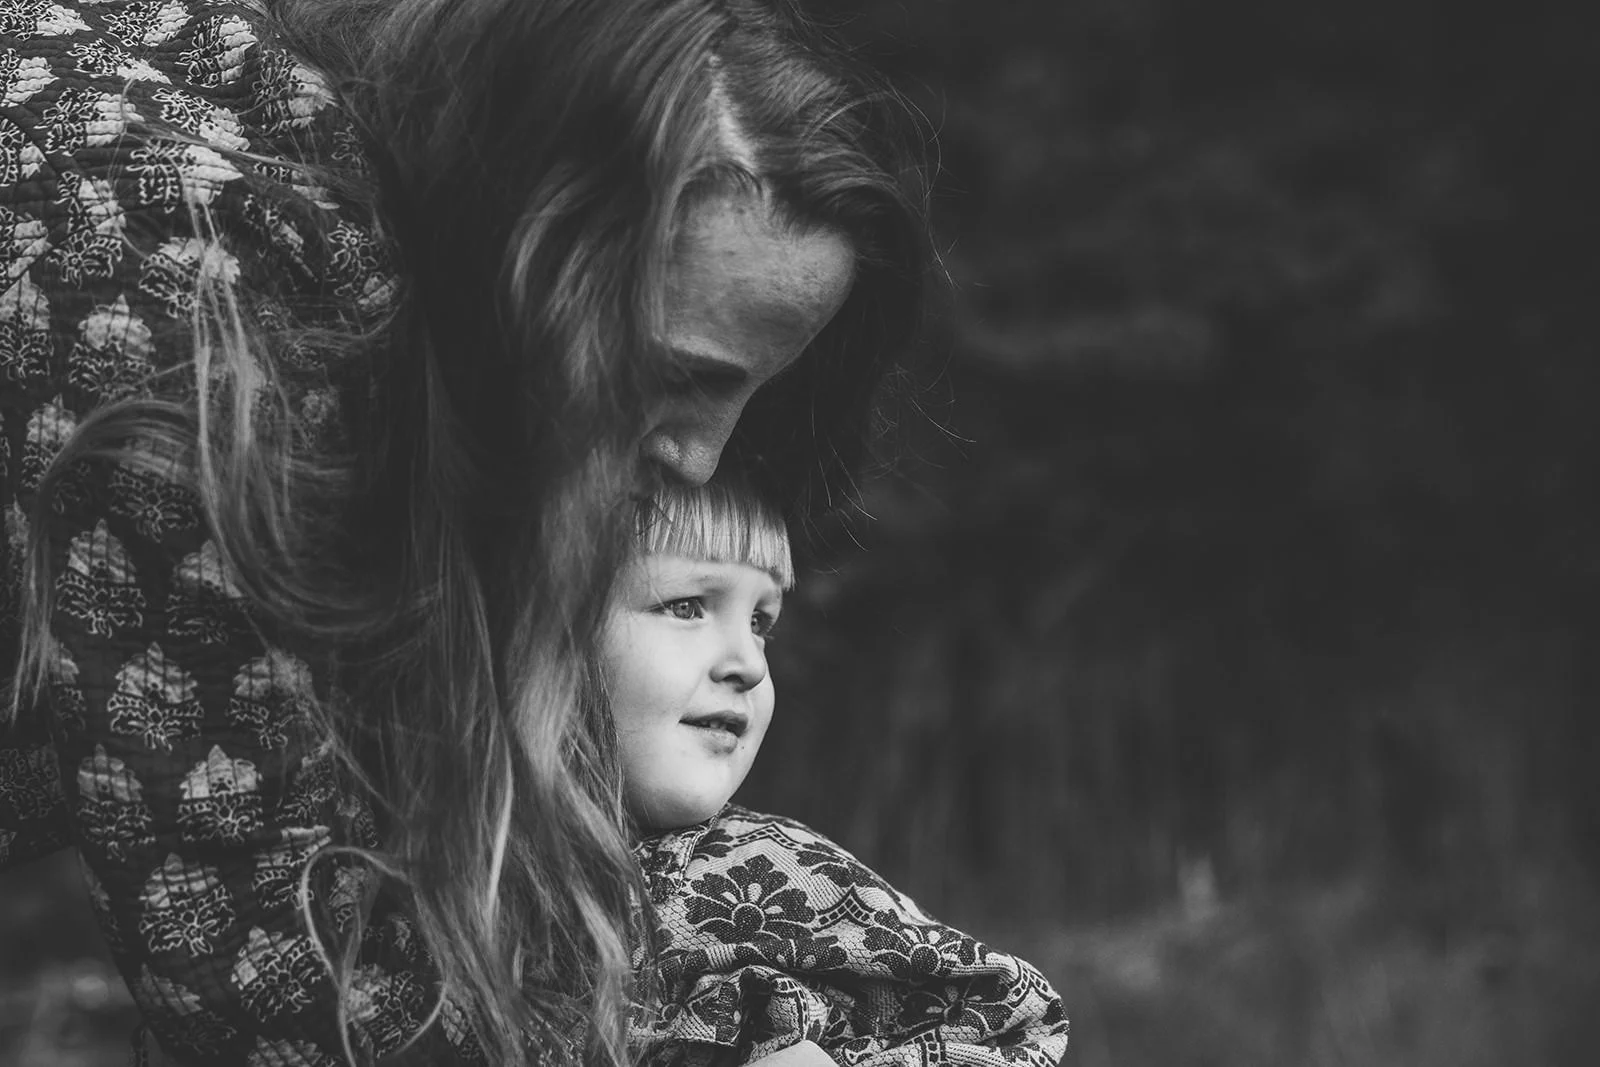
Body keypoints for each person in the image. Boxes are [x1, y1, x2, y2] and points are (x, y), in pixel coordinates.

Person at [0, 1, 931, 1063]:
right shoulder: (177, 254)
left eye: (751, 393)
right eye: (675, 374)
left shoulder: (322, 186)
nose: (701, 457)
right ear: (537, 249)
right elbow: (268, 979)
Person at [599, 477, 1069, 1067]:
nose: (749, 664)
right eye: (686, 607)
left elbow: (1014, 1023)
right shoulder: (488, 885)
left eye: (760, 622)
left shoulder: (776, 875)